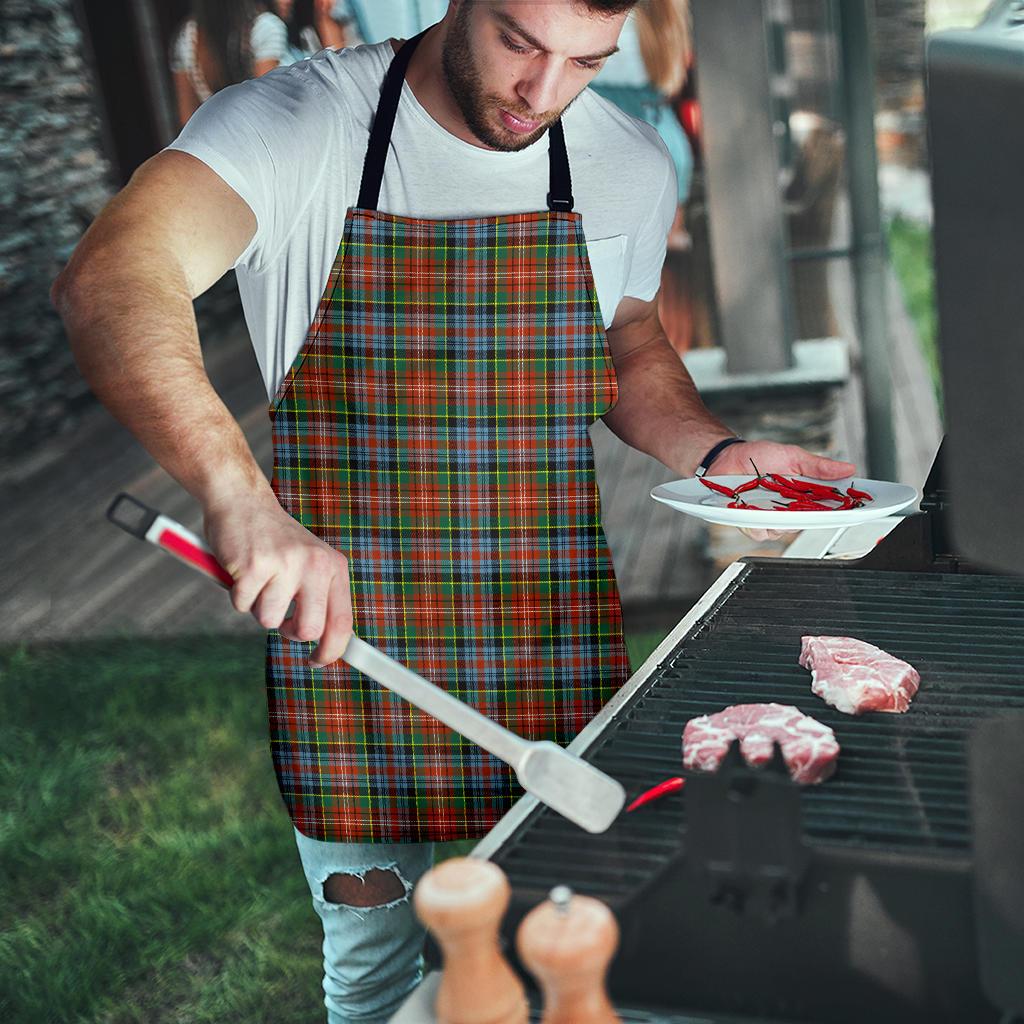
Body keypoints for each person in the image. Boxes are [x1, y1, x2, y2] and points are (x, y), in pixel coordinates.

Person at [53, 2, 855, 1020]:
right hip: (349, 655)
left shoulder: (625, 161)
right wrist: (238, 497)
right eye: (521, 43)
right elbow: (113, 275)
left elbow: (628, 336)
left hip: (547, 636)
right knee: (379, 974)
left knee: (573, 950)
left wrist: (717, 450)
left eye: (585, 62)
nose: (543, 93)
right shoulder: (298, 124)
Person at [170, 0, 289, 128]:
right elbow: (268, 107)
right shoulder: (265, 27)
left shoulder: (187, 36)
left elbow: (187, 119)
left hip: (217, 141)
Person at [275, 0, 350, 63]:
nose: (288, 2)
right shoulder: (271, 26)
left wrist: (323, 17)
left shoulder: (307, 29)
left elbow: (339, 61)